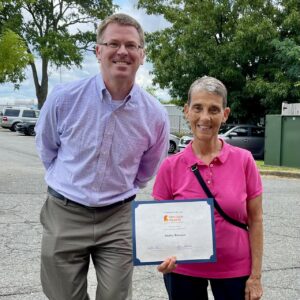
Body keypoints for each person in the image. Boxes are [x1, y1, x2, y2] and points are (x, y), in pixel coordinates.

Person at [35, 13, 169, 300]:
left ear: (142, 55)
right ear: (98, 51)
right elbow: (48, 149)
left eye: (131, 46)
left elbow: (146, 169)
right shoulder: (64, 98)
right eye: (114, 43)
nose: (123, 51)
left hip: (117, 217)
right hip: (65, 212)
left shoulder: (154, 114)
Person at [152, 76, 263, 300]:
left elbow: (256, 220)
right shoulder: (170, 166)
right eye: (198, 108)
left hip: (235, 270)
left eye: (213, 109)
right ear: (186, 111)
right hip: (183, 271)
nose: (205, 117)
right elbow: (159, 224)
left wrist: (256, 276)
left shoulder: (244, 161)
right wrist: (161, 256)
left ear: (225, 114)